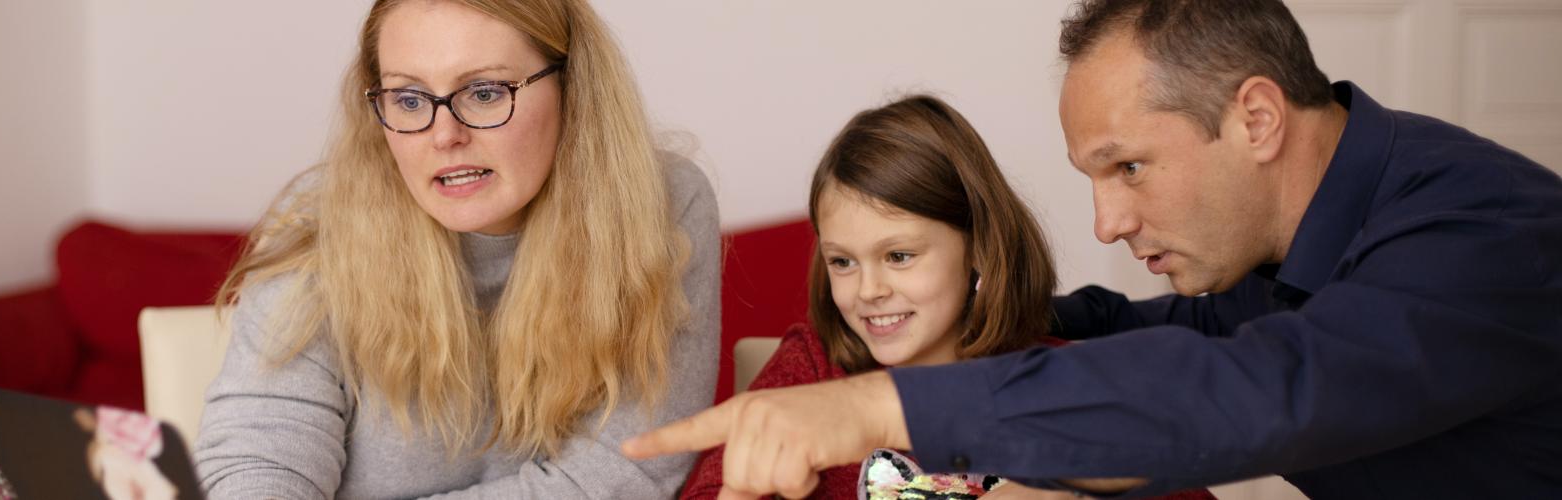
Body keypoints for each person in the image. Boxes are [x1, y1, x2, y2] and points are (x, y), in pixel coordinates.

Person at [624, 0, 1562, 498]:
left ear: (1258, 118)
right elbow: (1137, 329)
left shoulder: (1481, 234)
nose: (1108, 224)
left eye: (1130, 168)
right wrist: (958, 316)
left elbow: (1255, 390)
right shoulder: (1272, 259)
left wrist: (888, 402)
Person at [194, 0, 722, 497]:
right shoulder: (318, 218)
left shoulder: (664, 205)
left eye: (486, 92)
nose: (444, 135)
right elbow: (260, 458)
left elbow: (626, 472)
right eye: (409, 98)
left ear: (574, 89)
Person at [677, 96, 1213, 500]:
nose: (869, 290)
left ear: (978, 247)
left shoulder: (1064, 384)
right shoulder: (812, 368)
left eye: (900, 256)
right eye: (843, 261)